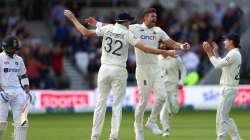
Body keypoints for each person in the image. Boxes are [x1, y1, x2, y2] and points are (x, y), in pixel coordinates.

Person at [64, 10, 177, 140]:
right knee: (117, 106)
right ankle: (113, 136)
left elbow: (85, 32)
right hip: (118, 70)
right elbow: (145, 49)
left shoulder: (108, 28)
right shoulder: (128, 33)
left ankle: (94, 137)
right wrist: (166, 53)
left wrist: (73, 18)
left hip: (104, 69)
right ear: (125, 22)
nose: (130, 23)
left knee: (100, 104)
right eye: (129, 21)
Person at [202, 32, 242, 140]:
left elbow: (217, 65)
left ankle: (221, 138)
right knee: (224, 117)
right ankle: (236, 138)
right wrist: (216, 53)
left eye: (226, 40)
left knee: (221, 117)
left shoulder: (233, 54)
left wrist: (208, 52)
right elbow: (223, 66)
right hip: (229, 88)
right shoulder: (234, 54)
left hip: (228, 88)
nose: (224, 42)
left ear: (231, 42)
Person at [0, 36, 31, 140]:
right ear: (4, 47)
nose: (13, 50)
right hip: (3, 91)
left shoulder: (19, 59)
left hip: (18, 92)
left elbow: (23, 75)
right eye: (11, 48)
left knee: (22, 122)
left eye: (14, 48)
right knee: (1, 124)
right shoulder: (0, 58)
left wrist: (26, 89)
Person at [158, 49, 186, 137]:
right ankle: (166, 130)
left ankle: (172, 110)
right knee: (163, 110)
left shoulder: (176, 57)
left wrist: (181, 81)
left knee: (175, 107)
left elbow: (183, 69)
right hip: (162, 88)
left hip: (174, 87)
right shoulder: (156, 58)